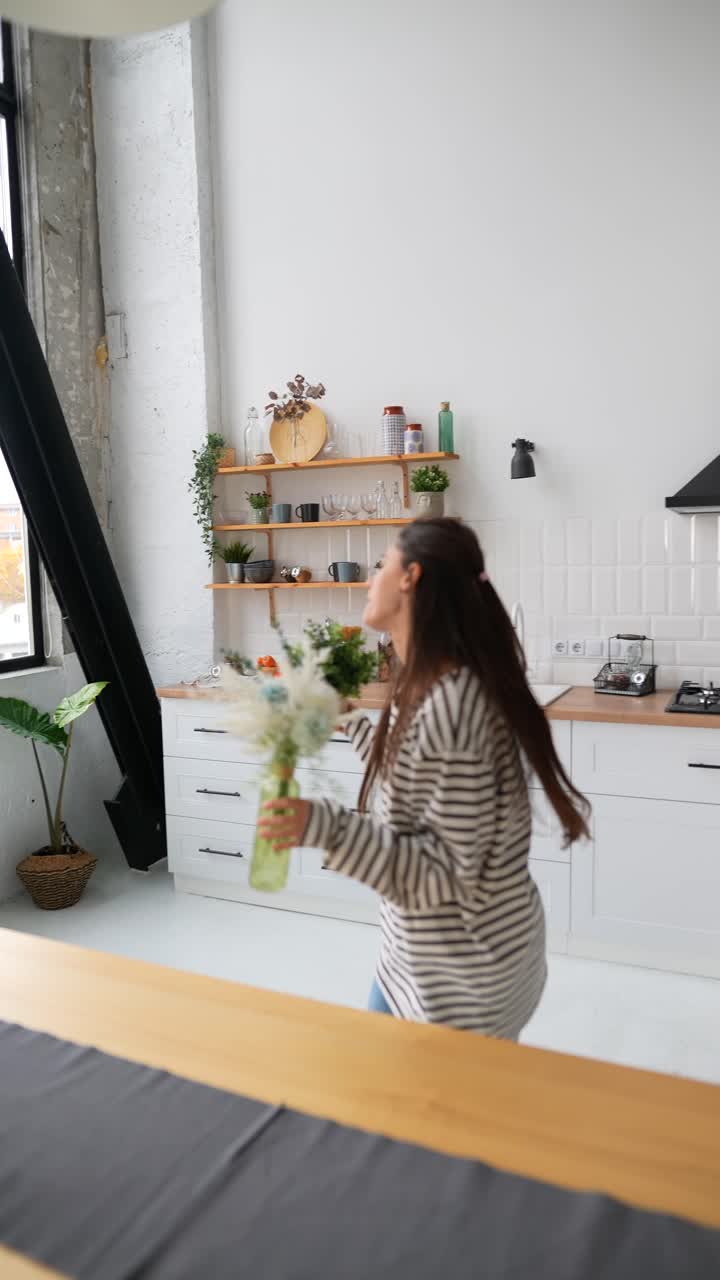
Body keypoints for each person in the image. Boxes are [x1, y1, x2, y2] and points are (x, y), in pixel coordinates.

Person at [258, 518, 590, 1037]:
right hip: (415, 958)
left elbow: (447, 872)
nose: (370, 581)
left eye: (381, 567)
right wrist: (349, 718)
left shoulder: (455, 706)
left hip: (465, 983)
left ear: (410, 578)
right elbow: (408, 781)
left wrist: (324, 827)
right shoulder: (429, 683)